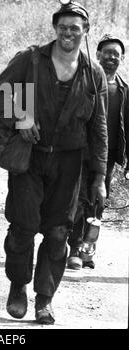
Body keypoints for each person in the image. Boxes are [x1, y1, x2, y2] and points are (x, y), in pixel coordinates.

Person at [0, 0, 108, 324]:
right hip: (30, 158)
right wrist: (21, 117)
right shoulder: (31, 60)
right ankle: (17, 285)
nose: (68, 33)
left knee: (58, 234)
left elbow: (98, 127)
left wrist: (98, 177)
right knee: (23, 228)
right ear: (54, 28)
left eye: (76, 28)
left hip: (70, 163)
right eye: (63, 27)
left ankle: (44, 299)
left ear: (86, 31)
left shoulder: (92, 71)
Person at [67, 33, 129, 270]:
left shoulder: (124, 91)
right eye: (107, 53)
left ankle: (87, 250)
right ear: (98, 55)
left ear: (121, 59)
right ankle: (73, 249)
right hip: (81, 151)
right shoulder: (83, 83)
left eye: (116, 54)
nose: (111, 57)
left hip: (108, 157)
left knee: (98, 204)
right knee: (80, 199)